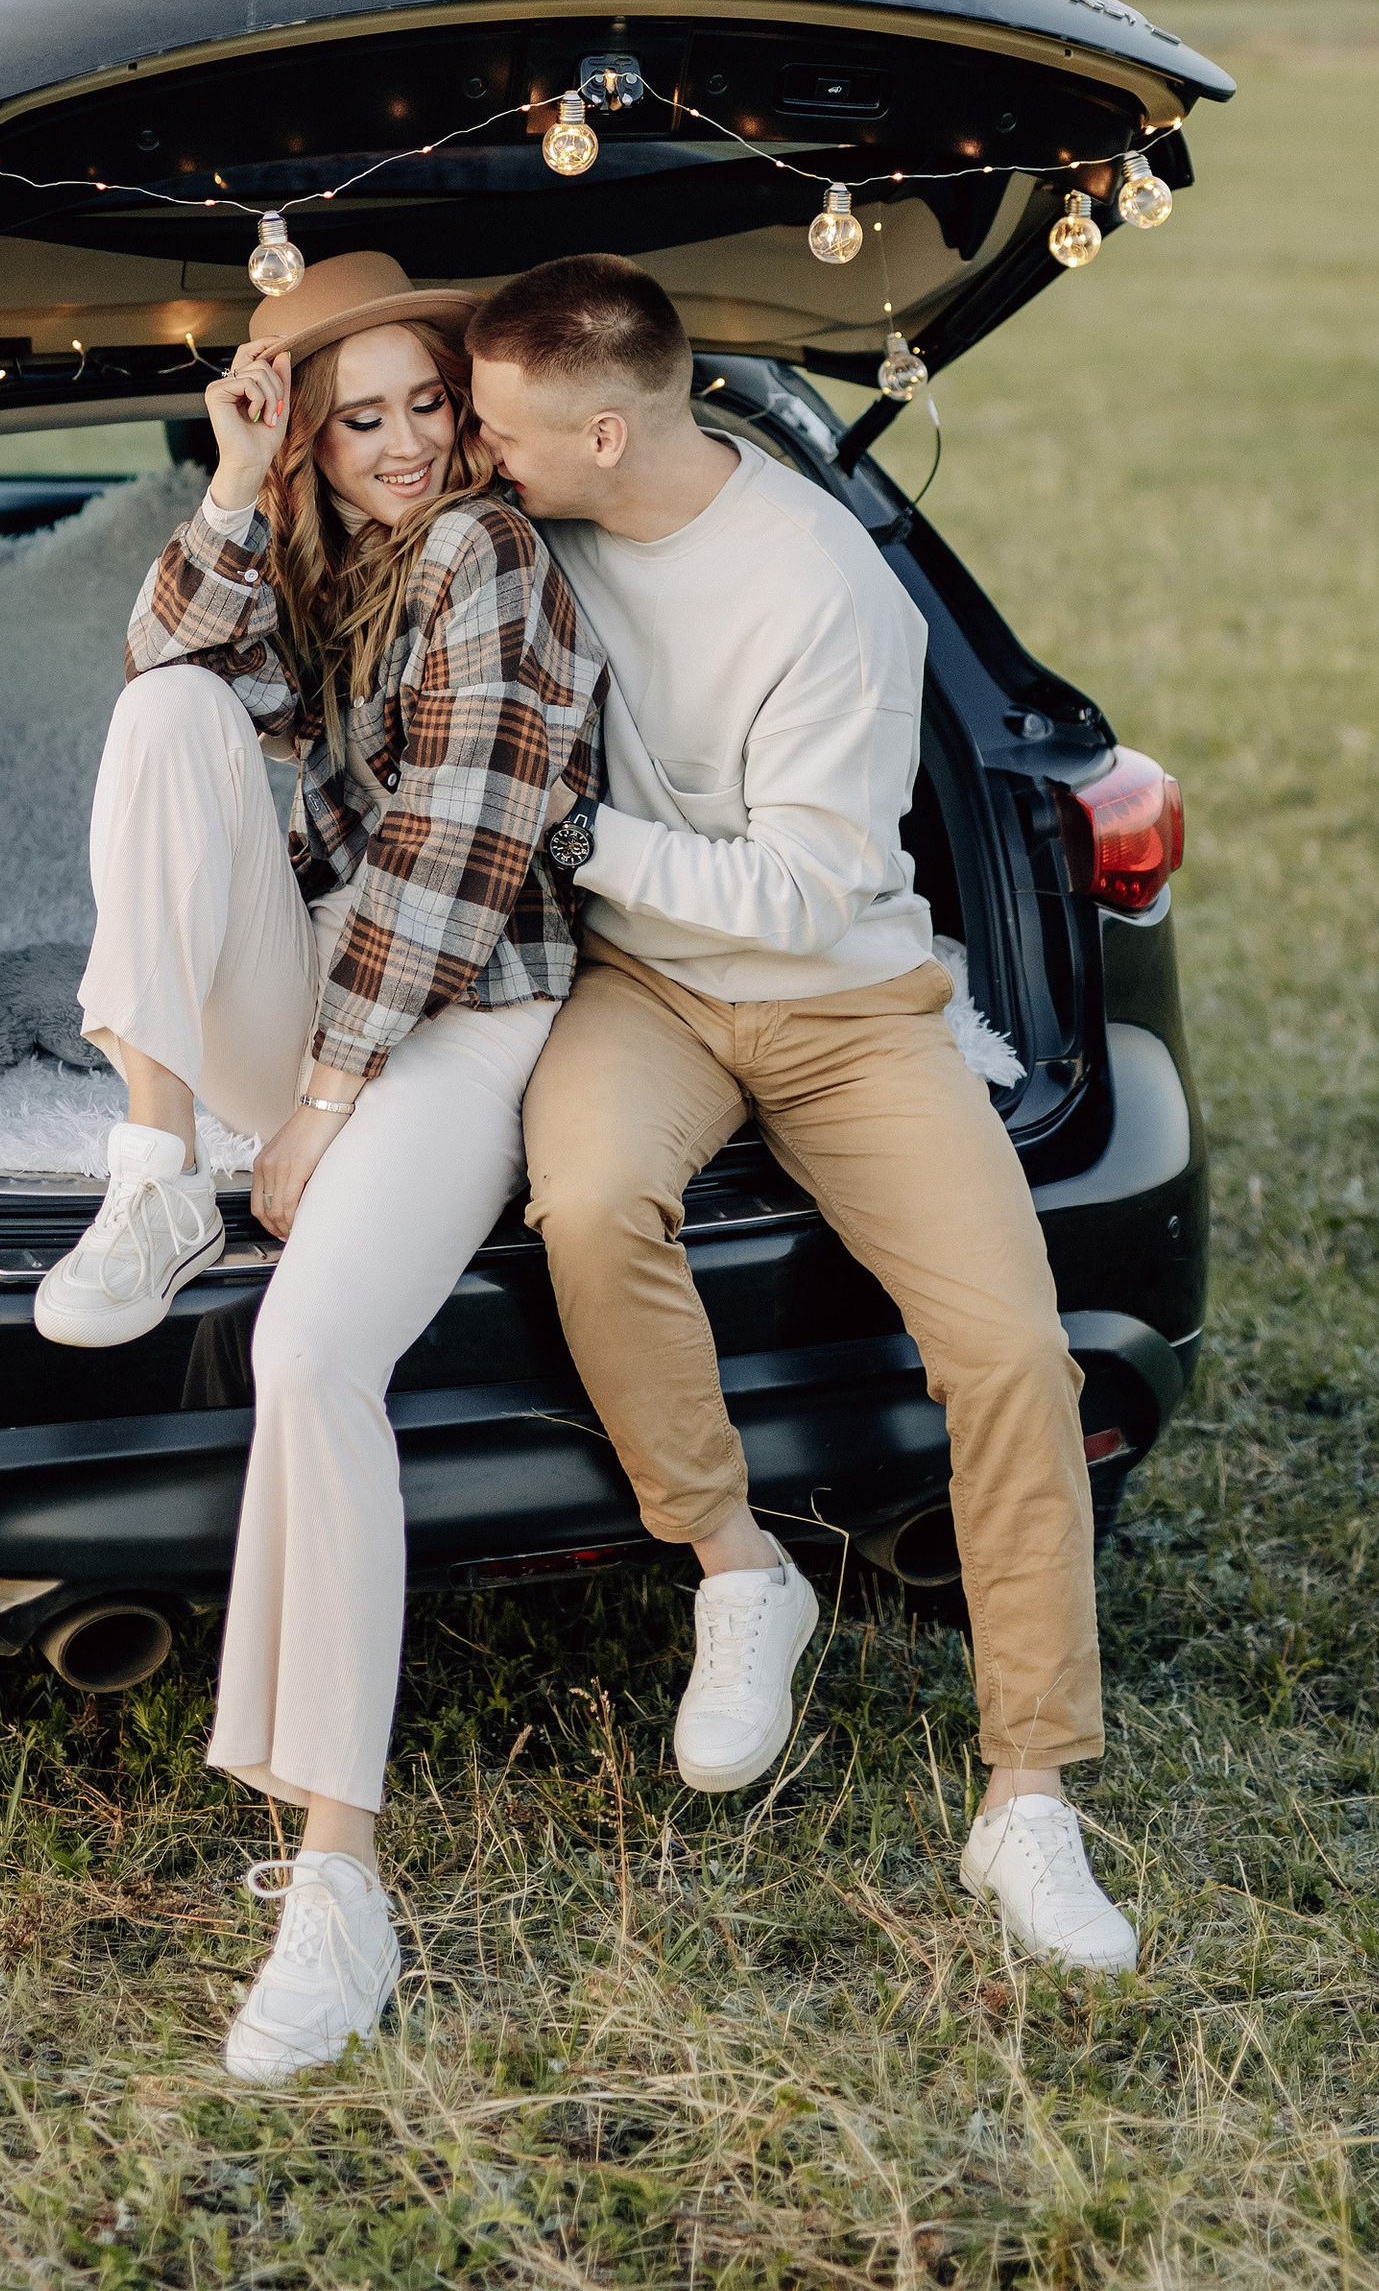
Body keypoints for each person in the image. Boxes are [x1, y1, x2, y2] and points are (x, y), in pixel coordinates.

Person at [467, 254, 1138, 1974]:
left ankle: (1030, 1803)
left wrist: (574, 838)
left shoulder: (827, 593)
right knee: (594, 1202)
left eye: (508, 427)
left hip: (842, 1003)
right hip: (648, 994)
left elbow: (804, 888)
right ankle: (737, 1566)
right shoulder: (540, 524)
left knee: (1009, 1352)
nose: (484, 454)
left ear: (606, 431)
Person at [38, 251, 604, 2075]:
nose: (409, 446)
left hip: (471, 1017)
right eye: (360, 418)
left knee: (308, 1357)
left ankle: (337, 1886)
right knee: (163, 711)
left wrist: (322, 1104)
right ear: (309, 431)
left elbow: (452, 862)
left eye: (429, 404)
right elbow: (167, 663)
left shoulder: (491, 560)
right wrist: (224, 483)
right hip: (345, 1007)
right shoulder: (326, 564)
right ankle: (149, 1167)